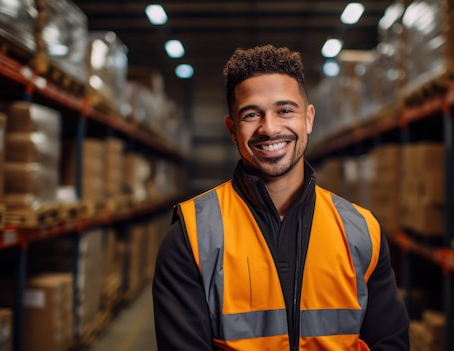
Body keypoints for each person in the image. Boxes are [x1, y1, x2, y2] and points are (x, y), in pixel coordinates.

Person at [153, 44, 409, 350]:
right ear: (232, 129)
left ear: (309, 119)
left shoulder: (361, 231)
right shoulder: (191, 237)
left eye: (285, 110)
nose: (270, 128)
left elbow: (390, 343)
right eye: (252, 114)